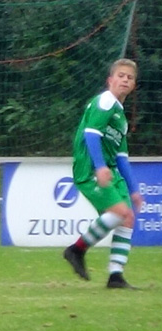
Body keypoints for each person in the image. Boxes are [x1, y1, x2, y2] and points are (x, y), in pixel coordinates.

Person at [63, 58, 143, 289]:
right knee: (119, 213)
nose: (125, 80)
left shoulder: (121, 117)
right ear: (110, 80)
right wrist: (99, 166)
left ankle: (115, 277)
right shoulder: (106, 100)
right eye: (121, 75)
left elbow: (122, 157)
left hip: (111, 169)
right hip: (90, 166)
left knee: (127, 217)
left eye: (129, 77)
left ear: (134, 85)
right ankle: (76, 250)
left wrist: (134, 189)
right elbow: (90, 133)